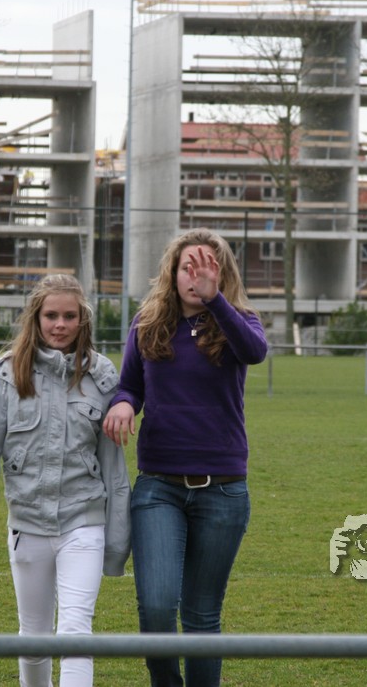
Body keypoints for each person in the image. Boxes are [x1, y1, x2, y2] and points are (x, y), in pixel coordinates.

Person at [102, 228, 267, 686]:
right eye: (187, 267)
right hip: (159, 488)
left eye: (207, 267)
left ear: (223, 274)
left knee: (201, 615)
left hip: (224, 491)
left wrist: (216, 302)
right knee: (156, 607)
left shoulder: (240, 321)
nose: (196, 276)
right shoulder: (148, 322)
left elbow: (255, 352)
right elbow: (130, 385)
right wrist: (123, 403)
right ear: (172, 273)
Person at [0, 274, 131, 687]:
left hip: (84, 522)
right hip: (27, 524)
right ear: (35, 318)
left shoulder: (103, 376)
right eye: (51, 315)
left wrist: (117, 542)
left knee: (75, 633)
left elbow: (114, 470)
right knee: (34, 639)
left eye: (70, 316)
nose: (60, 325)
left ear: (83, 319)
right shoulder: (7, 373)